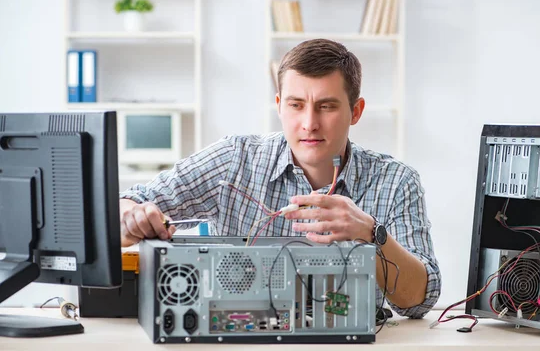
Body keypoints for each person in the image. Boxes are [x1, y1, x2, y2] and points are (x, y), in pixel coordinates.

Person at [119, 38, 441, 318]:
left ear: (355, 112)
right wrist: (133, 217)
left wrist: (372, 234)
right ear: (279, 106)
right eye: (296, 105)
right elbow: (125, 208)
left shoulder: (396, 181)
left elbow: (418, 302)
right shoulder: (235, 159)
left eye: (326, 106)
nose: (309, 123)